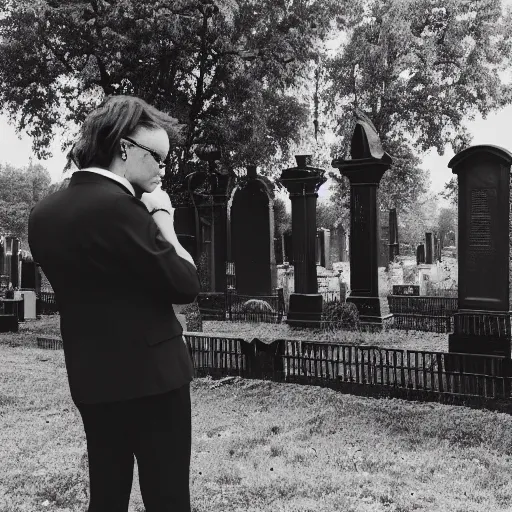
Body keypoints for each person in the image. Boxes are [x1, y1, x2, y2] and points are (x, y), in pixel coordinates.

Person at [28, 95, 200, 512]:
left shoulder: (43, 215)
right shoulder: (125, 210)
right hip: (155, 379)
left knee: (107, 494)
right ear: (124, 148)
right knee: (168, 497)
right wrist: (162, 218)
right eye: (158, 157)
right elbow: (185, 283)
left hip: (92, 377)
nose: (163, 169)